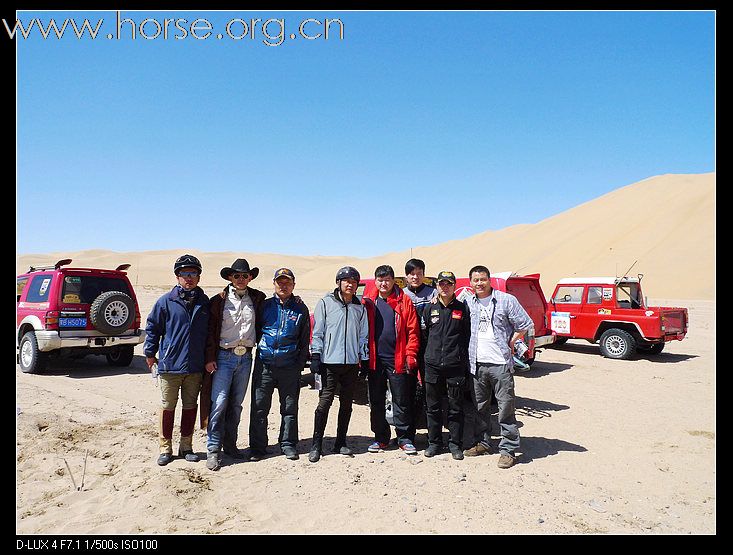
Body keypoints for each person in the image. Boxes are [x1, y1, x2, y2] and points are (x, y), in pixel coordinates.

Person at [459, 265, 533, 469]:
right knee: (480, 407)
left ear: (489, 280)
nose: (479, 283)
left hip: (500, 364)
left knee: (505, 408)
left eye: (483, 279)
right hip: (476, 364)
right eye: (475, 280)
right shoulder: (467, 301)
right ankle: (483, 443)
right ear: (470, 282)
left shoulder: (506, 300)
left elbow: (525, 323)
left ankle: (508, 450)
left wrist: (512, 341)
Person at [200, 258, 266, 471]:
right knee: (219, 403)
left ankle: (230, 445)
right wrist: (209, 357)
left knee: (236, 404)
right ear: (230, 277)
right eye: (236, 275)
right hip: (223, 357)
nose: (240, 279)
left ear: (250, 277)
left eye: (245, 275)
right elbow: (210, 331)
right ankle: (213, 450)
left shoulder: (258, 298)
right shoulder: (218, 301)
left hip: (246, 358)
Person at [144, 254, 210, 466]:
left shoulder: (205, 302)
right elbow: (153, 328)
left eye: (193, 273)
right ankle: (165, 448)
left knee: (190, 407)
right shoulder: (166, 301)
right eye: (184, 273)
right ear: (177, 276)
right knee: (167, 407)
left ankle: (186, 446)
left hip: (195, 366)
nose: (189, 278)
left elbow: (211, 333)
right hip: (170, 365)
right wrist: (150, 353)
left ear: (199, 277)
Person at [308, 266, 369, 463]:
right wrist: (316, 355)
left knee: (346, 404)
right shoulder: (326, 303)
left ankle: (340, 442)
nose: (350, 284)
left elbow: (363, 336)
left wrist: (364, 359)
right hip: (329, 363)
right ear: (338, 283)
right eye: (346, 281)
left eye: (354, 281)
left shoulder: (359, 307)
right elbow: (318, 332)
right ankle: (316, 444)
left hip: (351, 364)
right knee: (324, 403)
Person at [248, 268, 310, 461]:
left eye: (287, 282)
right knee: (259, 408)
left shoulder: (300, 309)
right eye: (280, 282)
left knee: (289, 409)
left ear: (293, 285)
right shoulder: (264, 306)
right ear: (274, 284)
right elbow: (257, 331)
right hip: (265, 365)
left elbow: (304, 339)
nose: (283, 286)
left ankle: (288, 444)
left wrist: (299, 365)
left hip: (289, 366)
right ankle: (258, 447)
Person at [362, 265, 421, 455]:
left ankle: (405, 439)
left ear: (394, 280)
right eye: (380, 280)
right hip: (375, 360)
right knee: (376, 401)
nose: (383, 283)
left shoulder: (404, 301)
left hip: (398, 359)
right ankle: (381, 438)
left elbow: (413, 330)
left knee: (401, 400)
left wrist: (410, 354)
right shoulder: (369, 301)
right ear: (375, 281)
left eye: (387, 280)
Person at [421, 271, 470, 460]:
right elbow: (425, 335)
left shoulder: (462, 309)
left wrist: (459, 357)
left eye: (449, 283)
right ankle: (434, 443)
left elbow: (466, 336)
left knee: (455, 407)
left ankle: (455, 444)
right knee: (432, 407)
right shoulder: (429, 308)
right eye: (441, 283)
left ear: (454, 286)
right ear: (437, 286)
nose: (445, 287)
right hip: (433, 365)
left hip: (454, 365)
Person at [402, 258, 437, 428]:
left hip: (428, 343)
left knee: (429, 388)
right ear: (406, 276)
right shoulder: (401, 294)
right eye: (412, 274)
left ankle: (431, 430)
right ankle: (407, 432)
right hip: (406, 344)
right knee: (405, 388)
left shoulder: (433, 293)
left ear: (424, 274)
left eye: (419, 273)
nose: (415, 277)